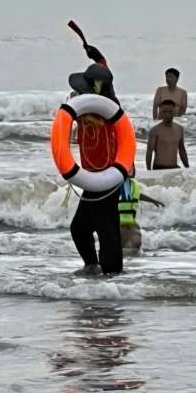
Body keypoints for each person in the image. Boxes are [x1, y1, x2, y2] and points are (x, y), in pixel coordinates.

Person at [67, 61, 126, 276]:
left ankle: (110, 272)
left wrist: (75, 110)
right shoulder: (89, 106)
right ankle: (96, 267)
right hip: (94, 177)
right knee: (84, 228)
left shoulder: (106, 111)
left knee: (104, 227)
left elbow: (102, 117)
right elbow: (104, 72)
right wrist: (98, 57)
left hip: (105, 177)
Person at [119, 169, 164, 254]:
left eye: (132, 168)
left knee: (136, 243)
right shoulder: (116, 185)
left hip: (131, 222)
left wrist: (153, 200)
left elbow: (137, 195)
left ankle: (130, 261)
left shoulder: (131, 185)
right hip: (119, 224)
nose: (130, 170)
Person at [146, 100, 189, 170]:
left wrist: (188, 168)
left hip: (174, 167)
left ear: (174, 111)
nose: (167, 115)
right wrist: (149, 171)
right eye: (164, 112)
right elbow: (149, 152)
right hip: (159, 168)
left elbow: (182, 151)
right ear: (161, 112)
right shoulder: (155, 131)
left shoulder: (179, 129)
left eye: (170, 112)